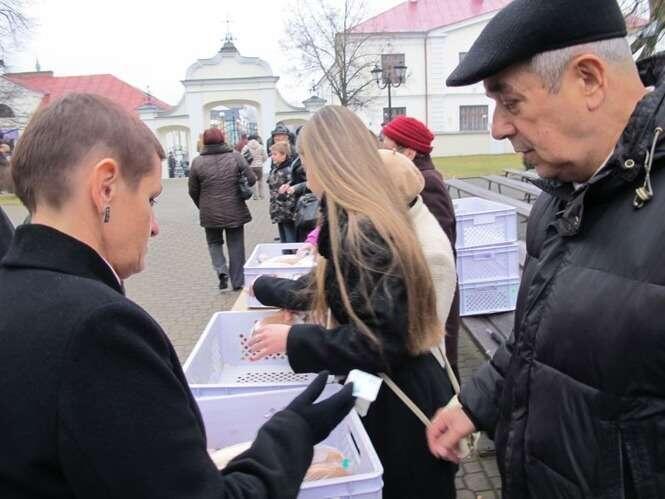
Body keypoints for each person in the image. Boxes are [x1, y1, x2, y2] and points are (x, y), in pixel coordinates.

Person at [0, 93, 354, 499]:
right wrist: (292, 433)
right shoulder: (99, 329)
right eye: (150, 199)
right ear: (105, 187)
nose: (154, 226)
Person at [426, 0, 665, 497]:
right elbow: (538, 335)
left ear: (588, 80)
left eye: (510, 102)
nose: (497, 127)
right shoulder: (559, 197)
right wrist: (475, 403)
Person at [248, 105, 458, 499]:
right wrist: (268, 289)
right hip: (390, 392)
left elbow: (381, 341)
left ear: (326, 162)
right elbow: (337, 290)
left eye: (307, 160)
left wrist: (293, 340)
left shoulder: (366, 230)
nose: (305, 171)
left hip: (402, 404)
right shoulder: (354, 218)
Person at [380, 115, 461, 374]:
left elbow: (439, 242)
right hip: (423, 293)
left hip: (432, 293)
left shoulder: (425, 184)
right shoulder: (417, 178)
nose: (381, 151)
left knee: (440, 369)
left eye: (387, 145)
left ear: (409, 152)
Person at [188, 127, 256, 291]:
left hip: (209, 212)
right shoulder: (235, 156)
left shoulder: (197, 162)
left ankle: (221, 271)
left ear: (204, 141)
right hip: (235, 209)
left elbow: (193, 190)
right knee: (236, 245)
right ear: (222, 139)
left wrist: (202, 205)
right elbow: (252, 179)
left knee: (214, 243)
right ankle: (237, 282)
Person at [267, 141, 297, 242]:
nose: (272, 157)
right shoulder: (276, 169)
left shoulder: (288, 171)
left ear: (284, 155)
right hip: (278, 210)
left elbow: (292, 191)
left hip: (287, 211)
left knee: (290, 237)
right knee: (283, 237)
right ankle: (285, 251)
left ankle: (291, 251)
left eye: (275, 154)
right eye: (272, 154)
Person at [241, 133, 268, 199]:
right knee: (260, 180)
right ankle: (262, 195)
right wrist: (261, 161)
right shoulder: (260, 146)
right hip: (259, 166)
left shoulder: (246, 147)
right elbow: (265, 156)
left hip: (250, 167)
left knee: (253, 181)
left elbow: (242, 156)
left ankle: (255, 196)